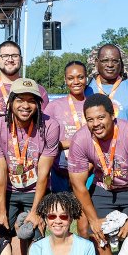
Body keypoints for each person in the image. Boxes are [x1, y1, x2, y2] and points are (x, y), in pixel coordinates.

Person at [66, 94, 128, 255]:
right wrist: (93, 219)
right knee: (94, 232)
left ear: (112, 115)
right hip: (103, 188)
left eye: (100, 117)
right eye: (90, 120)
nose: (96, 124)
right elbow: (78, 185)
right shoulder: (80, 139)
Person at [0, 78, 61, 255]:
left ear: (38, 104)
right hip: (8, 190)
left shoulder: (50, 126)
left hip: (35, 189)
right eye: (20, 100)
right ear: (10, 102)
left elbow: (44, 173)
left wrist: (36, 211)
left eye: (31, 100)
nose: (25, 106)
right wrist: (1, 211)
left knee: (35, 232)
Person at [43, 60, 90, 193]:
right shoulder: (54, 106)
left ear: (86, 78)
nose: (76, 82)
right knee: (62, 211)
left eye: (80, 77)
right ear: (65, 80)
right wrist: (70, 143)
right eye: (70, 78)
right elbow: (45, 141)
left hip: (88, 170)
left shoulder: (93, 105)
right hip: (60, 171)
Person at [0, 40, 49, 120]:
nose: (10, 59)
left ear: (21, 59)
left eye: (15, 56)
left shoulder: (37, 90)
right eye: (5, 56)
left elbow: (45, 123)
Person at [85, 44, 128, 121]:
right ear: (96, 62)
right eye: (105, 60)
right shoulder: (85, 88)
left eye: (115, 61)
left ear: (121, 63)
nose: (110, 65)